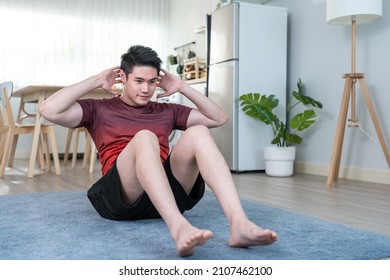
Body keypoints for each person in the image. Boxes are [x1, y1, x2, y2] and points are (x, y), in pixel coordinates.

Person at [39, 45, 278, 257]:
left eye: (152, 82)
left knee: (199, 132)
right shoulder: (98, 108)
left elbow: (218, 118)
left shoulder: (167, 110)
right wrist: (95, 80)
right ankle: (179, 227)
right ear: (122, 77)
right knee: (145, 137)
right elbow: (49, 110)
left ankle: (239, 224)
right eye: (139, 81)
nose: (146, 89)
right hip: (123, 197)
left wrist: (182, 87)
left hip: (165, 192)